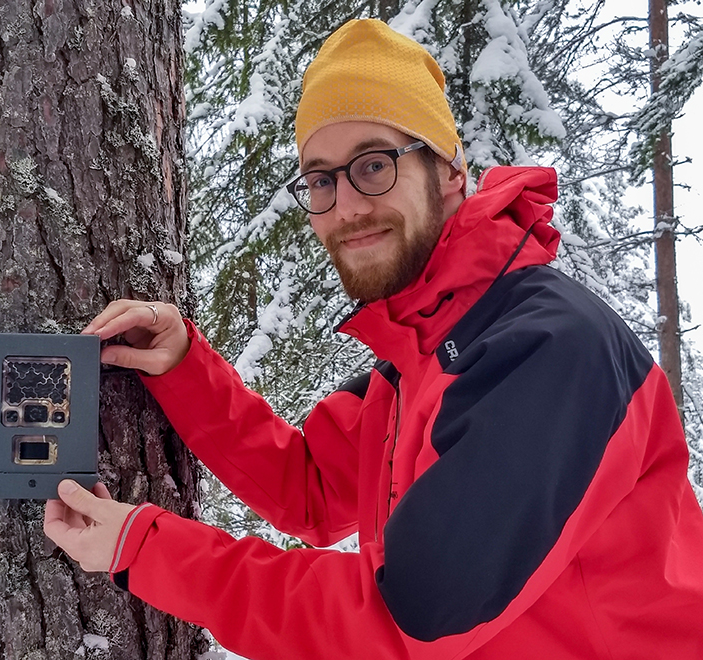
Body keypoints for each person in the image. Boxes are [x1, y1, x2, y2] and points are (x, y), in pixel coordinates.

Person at [44, 19, 703, 659]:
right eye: (322, 180)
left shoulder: (546, 350)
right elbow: (310, 490)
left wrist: (147, 549)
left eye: (374, 165)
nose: (348, 206)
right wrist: (185, 367)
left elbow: (407, 618)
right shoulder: (422, 357)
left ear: (449, 171)